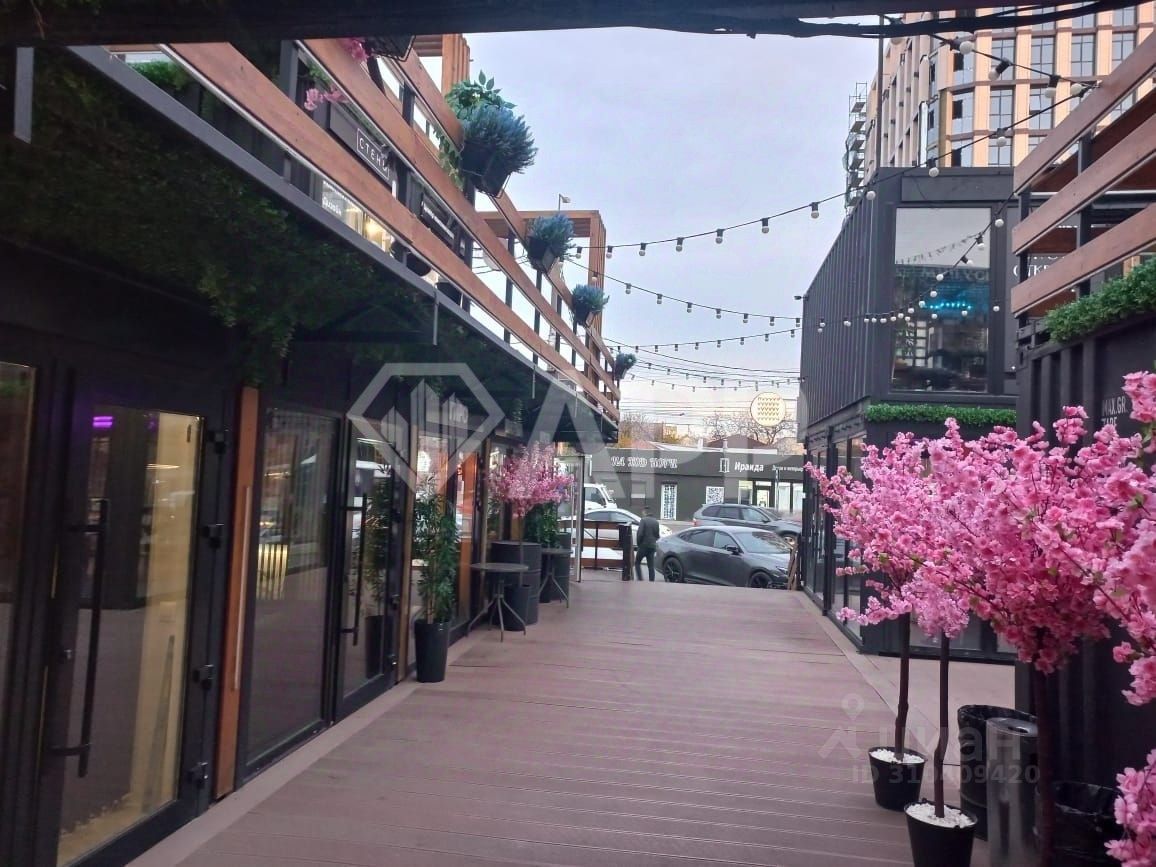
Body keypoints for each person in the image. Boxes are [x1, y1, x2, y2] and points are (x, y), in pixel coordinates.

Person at [634, 507, 661, 581]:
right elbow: (657, 535)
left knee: (637, 562)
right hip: (652, 546)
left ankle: (640, 579)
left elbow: (640, 534)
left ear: (645, 512)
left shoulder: (643, 520)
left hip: (643, 546)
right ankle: (651, 581)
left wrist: (639, 543)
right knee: (651, 566)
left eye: (642, 512)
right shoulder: (656, 521)